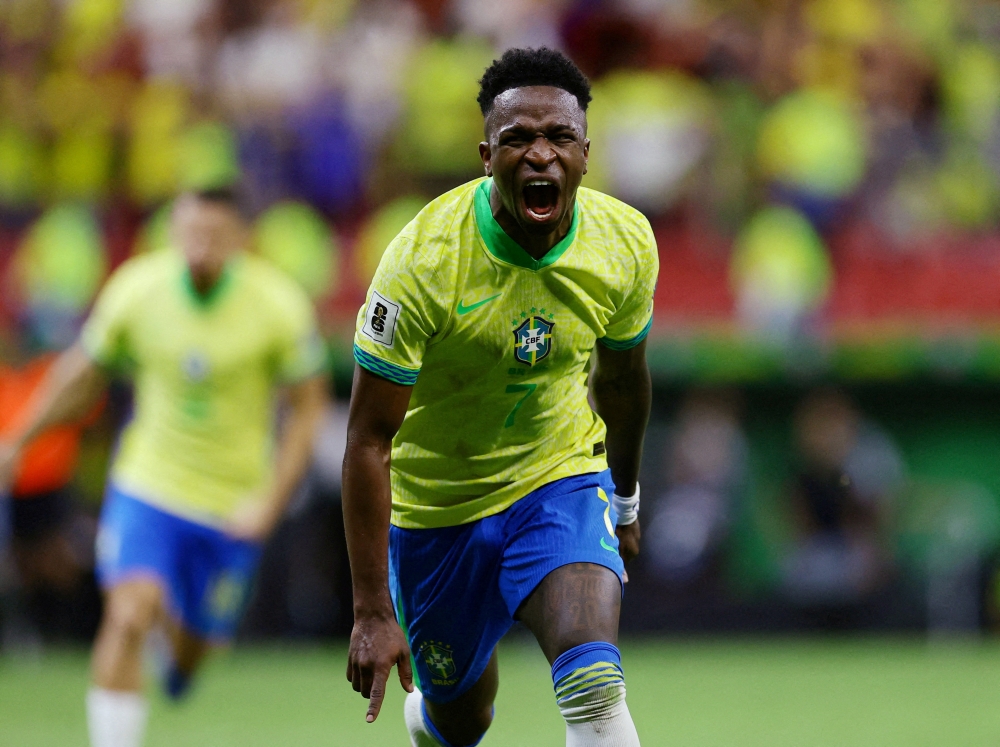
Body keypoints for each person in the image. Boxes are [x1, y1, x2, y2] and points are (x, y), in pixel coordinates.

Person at [343, 48, 657, 747]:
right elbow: (367, 439)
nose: (540, 154)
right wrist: (371, 610)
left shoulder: (624, 242)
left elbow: (623, 379)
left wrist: (626, 499)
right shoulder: (422, 262)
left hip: (559, 478)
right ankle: (432, 717)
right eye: (518, 139)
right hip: (439, 509)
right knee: (460, 718)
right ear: (487, 155)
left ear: (585, 153)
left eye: (558, 139)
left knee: (592, 682)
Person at [0, 188, 327, 747]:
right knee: (127, 614)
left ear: (240, 240)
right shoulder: (138, 289)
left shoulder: (277, 305)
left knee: (191, 656)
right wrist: (17, 441)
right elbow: (81, 375)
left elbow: (307, 409)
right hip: (148, 484)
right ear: (174, 234)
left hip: (232, 503)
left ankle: (176, 650)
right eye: (190, 233)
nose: (200, 247)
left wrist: (270, 502)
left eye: (214, 236)